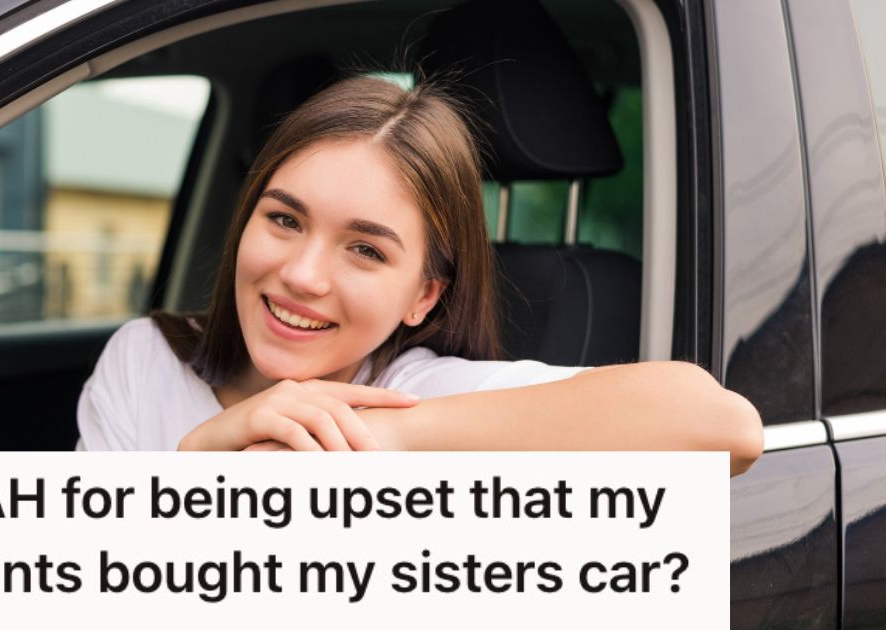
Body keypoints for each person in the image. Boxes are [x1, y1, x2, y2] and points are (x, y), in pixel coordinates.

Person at [77, 74, 763, 476]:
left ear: (424, 296)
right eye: (284, 219)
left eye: (366, 250)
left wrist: (379, 438)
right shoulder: (147, 358)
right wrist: (200, 465)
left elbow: (724, 427)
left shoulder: (415, 396)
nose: (303, 275)